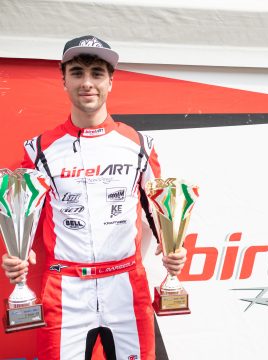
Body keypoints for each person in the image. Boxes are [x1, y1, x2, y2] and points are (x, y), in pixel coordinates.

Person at [1, 35, 187, 360]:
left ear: (111, 81)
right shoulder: (40, 149)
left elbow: (159, 210)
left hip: (126, 285)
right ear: (64, 80)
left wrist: (172, 247)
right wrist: (17, 255)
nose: (87, 83)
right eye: (77, 72)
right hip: (65, 289)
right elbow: (22, 217)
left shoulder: (139, 145)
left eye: (97, 73)